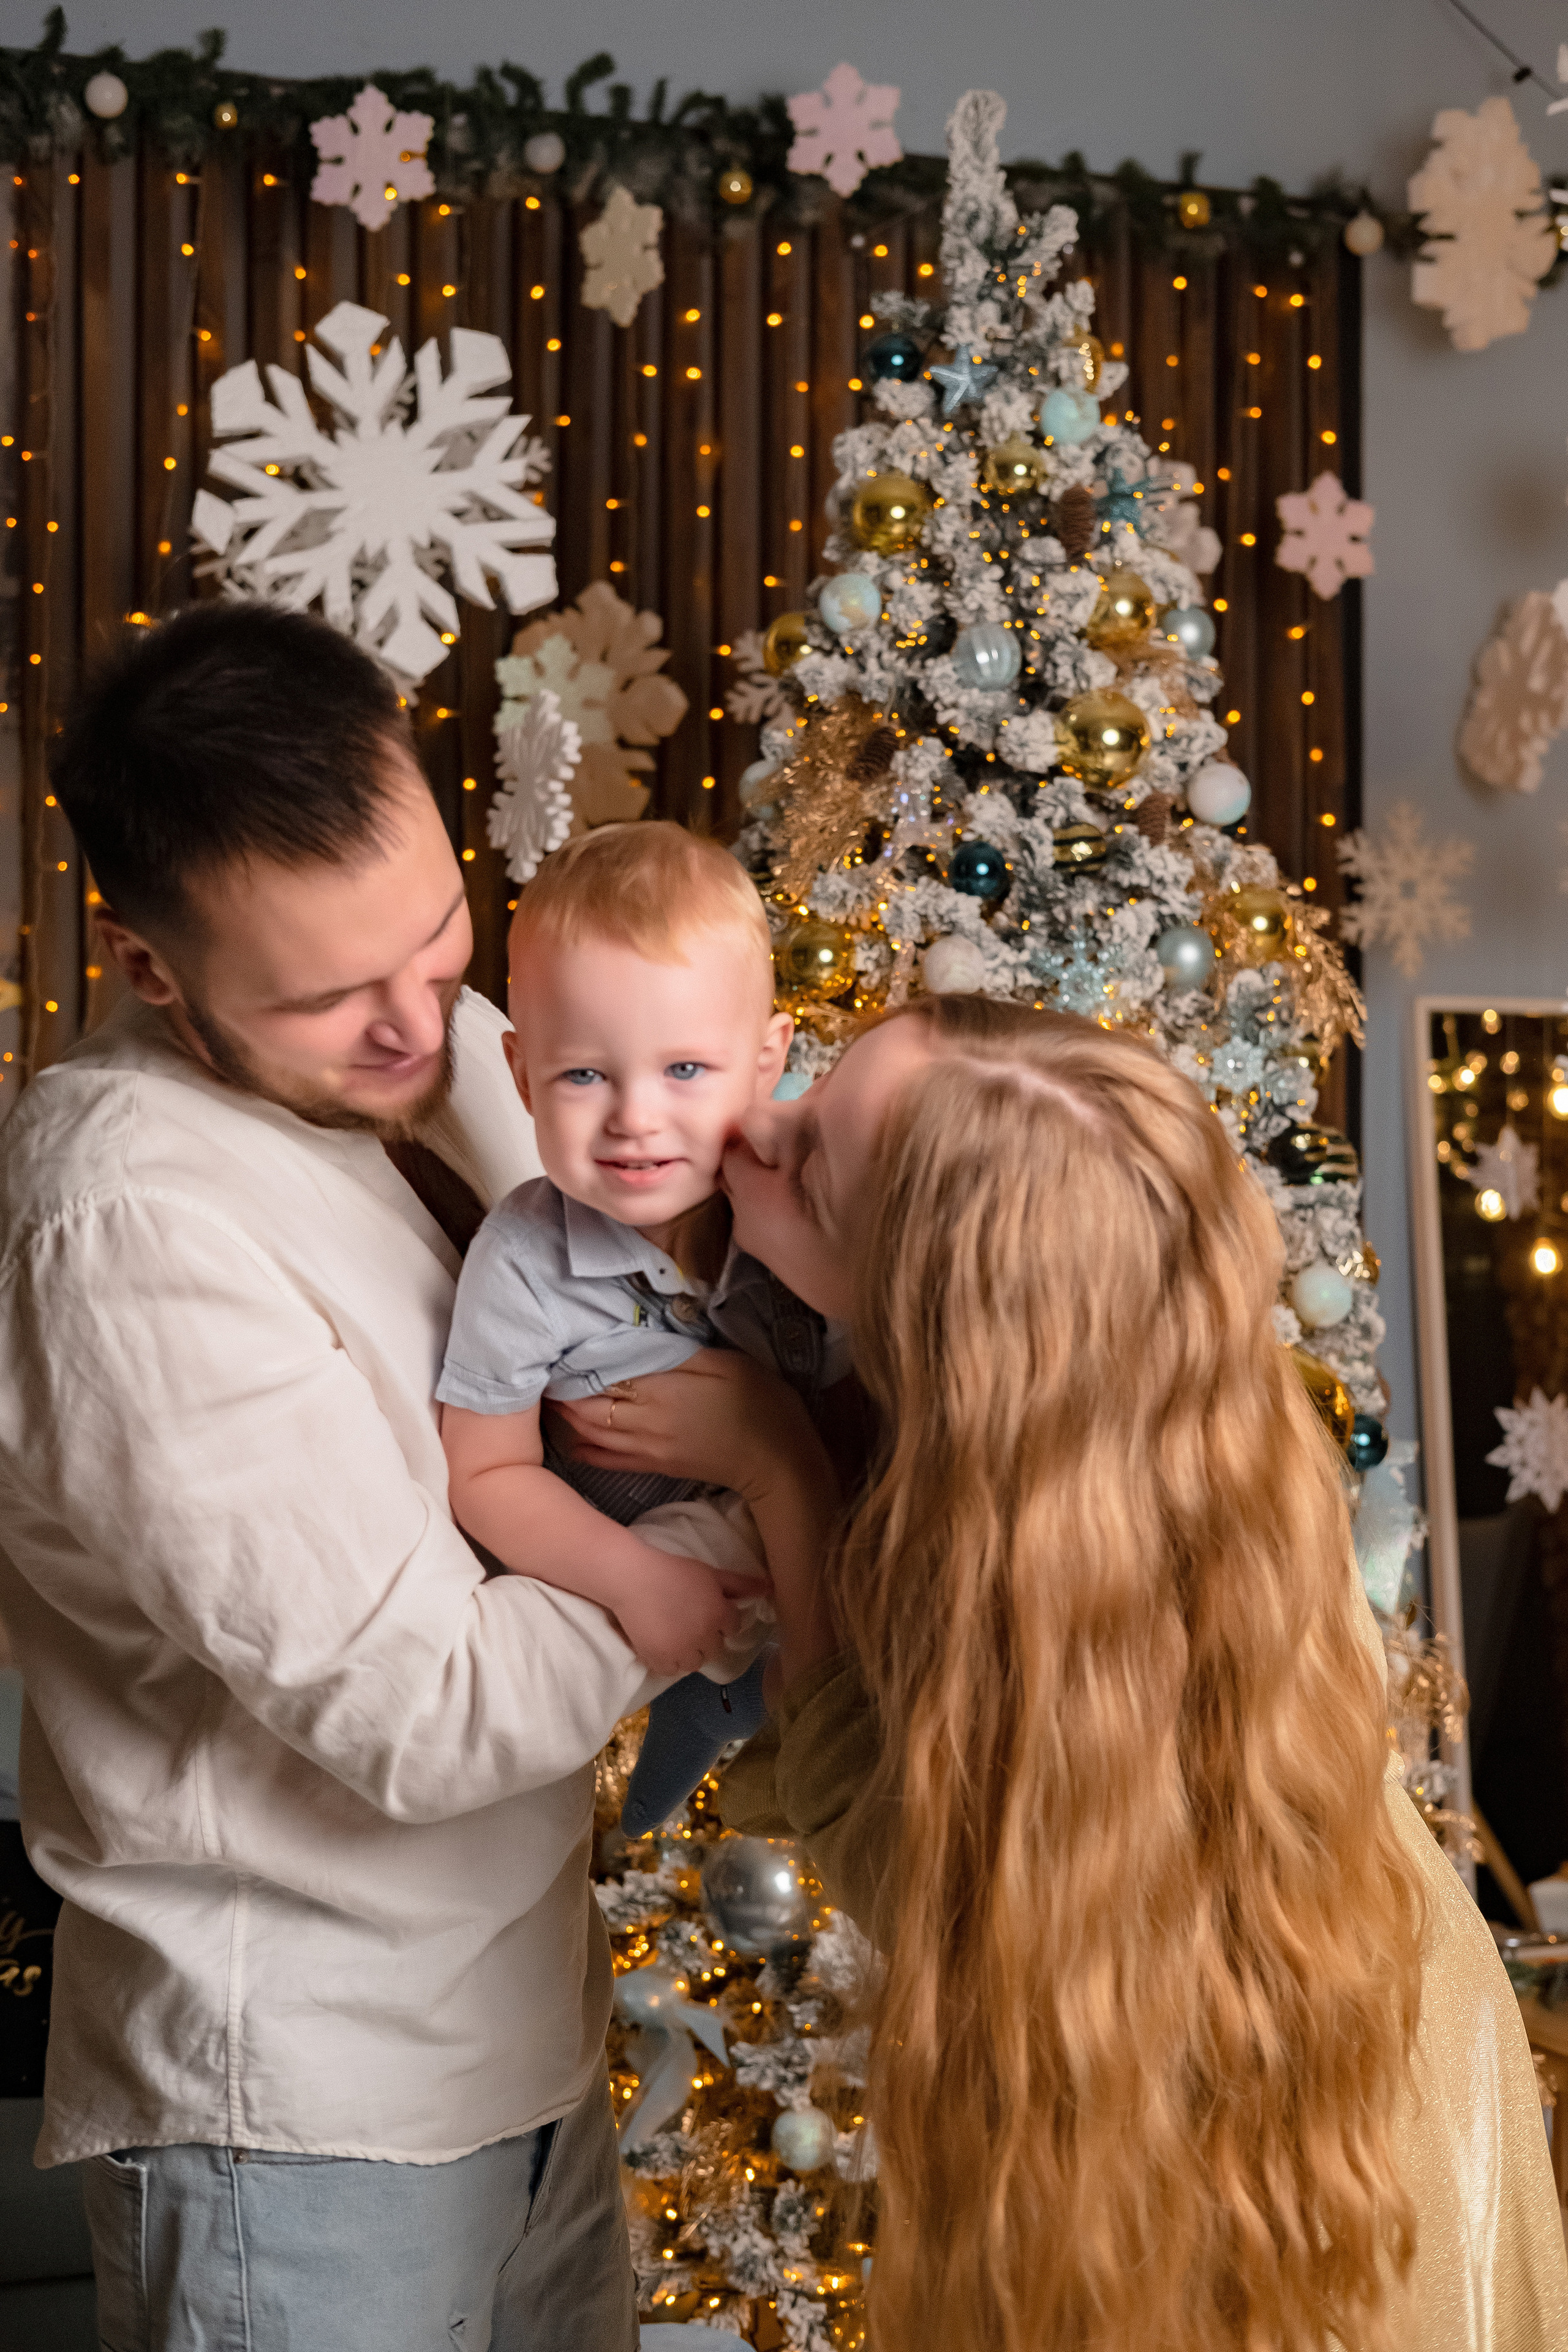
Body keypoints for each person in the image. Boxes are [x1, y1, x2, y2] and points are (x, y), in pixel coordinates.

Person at [556, 995, 1568, 2352]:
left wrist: (780, 1472)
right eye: (813, 1093)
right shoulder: (1152, 1376)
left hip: (1280, 2137)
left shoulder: (1051, 1579)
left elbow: (897, 1851)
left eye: (812, 1170)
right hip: (1353, 2002)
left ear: (941, 1316)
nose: (752, 1130)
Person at [0, 602, 744, 2351]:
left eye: (432, 936)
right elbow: (427, 1712)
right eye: (331, 997)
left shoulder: (464, 1040)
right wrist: (740, 1517)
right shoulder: (129, 1223)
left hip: (527, 2041)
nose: (420, 1025)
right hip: (301, 2118)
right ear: (147, 966)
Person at [440, 821, 843, 1835]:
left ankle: (746, 1718)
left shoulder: (804, 1205)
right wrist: (638, 1582)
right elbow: (483, 1473)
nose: (635, 1118)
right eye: (584, 1075)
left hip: (816, 1557)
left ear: (767, 1062)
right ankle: (698, 1719)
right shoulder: (525, 1258)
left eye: (686, 1070)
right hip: (645, 1551)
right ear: (521, 1075)